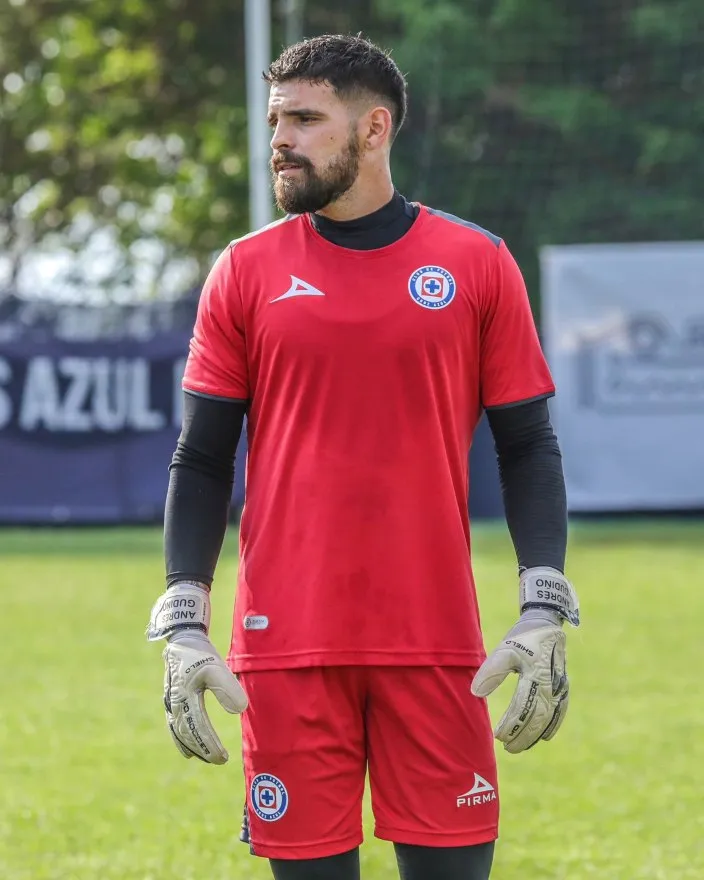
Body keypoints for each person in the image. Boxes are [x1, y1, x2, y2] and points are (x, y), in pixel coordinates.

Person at [146, 33, 580, 880]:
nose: (281, 139)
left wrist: (543, 605)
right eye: (276, 119)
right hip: (285, 650)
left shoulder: (476, 262)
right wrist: (185, 621)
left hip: (438, 645)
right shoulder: (244, 270)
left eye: (306, 119)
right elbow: (200, 459)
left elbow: (527, 445)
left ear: (373, 129)